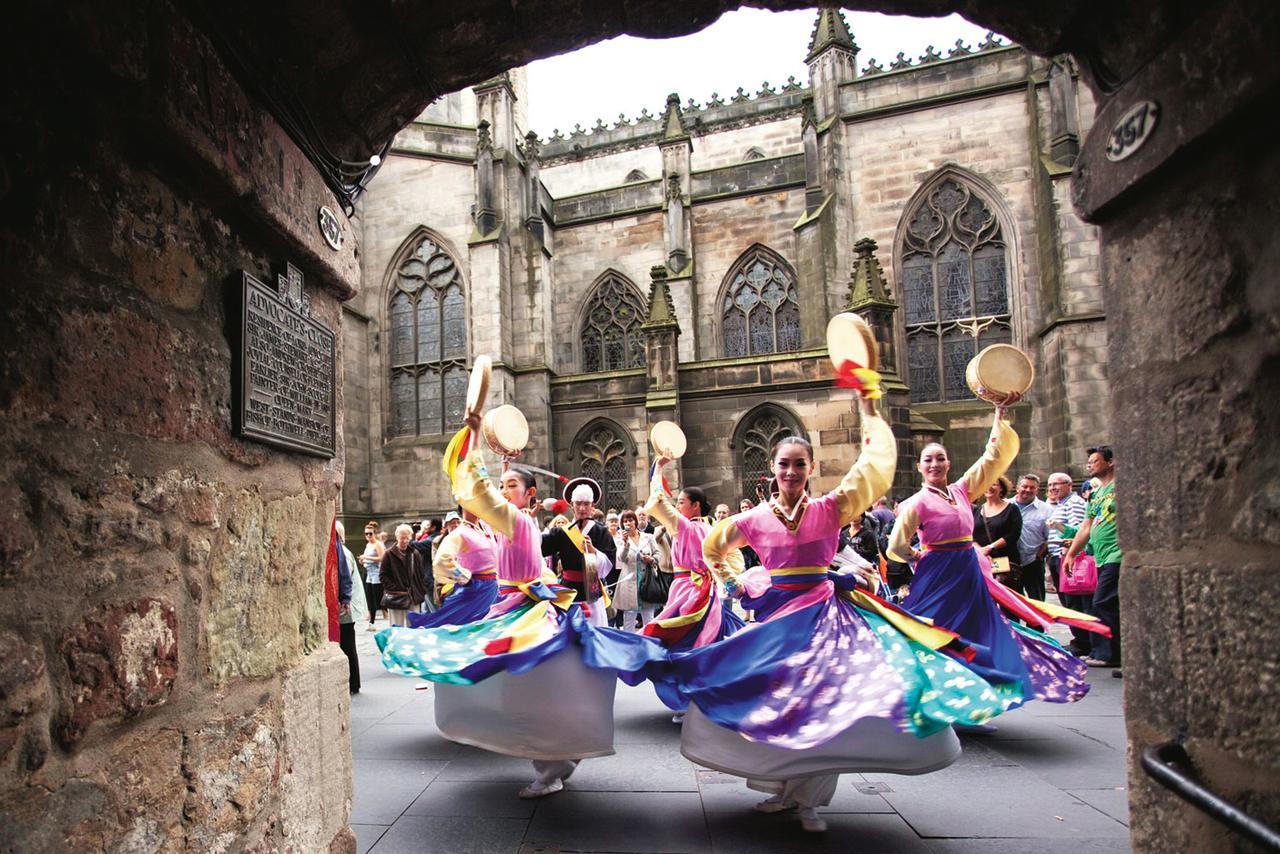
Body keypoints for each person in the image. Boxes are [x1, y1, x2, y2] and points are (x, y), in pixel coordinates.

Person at [654, 393, 1005, 834]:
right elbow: (713, 548)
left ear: (811, 468)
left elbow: (869, 471)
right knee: (775, 701)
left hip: (825, 618)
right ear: (772, 468)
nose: (791, 472)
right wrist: (732, 582)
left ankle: (809, 799)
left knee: (823, 704)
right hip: (778, 620)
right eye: (784, 464)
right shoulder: (754, 518)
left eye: (799, 464)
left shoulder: (830, 508)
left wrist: (871, 414)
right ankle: (781, 787)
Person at [377, 418, 667, 800]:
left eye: (511, 486)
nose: (503, 491)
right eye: (503, 486)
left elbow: (479, 492)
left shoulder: (516, 519)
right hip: (519, 605)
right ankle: (557, 756)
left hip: (528, 612)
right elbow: (491, 500)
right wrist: (504, 466)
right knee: (526, 685)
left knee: (528, 689)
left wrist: (474, 438)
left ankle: (551, 766)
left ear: (530, 493)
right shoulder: (521, 520)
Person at [888, 400, 1111, 719]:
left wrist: (999, 415)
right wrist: (918, 556)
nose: (935, 464)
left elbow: (989, 460)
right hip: (939, 574)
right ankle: (931, 698)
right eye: (928, 460)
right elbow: (896, 545)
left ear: (949, 463)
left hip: (968, 571)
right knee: (936, 633)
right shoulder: (916, 503)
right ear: (920, 467)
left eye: (940, 458)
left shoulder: (961, 491)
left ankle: (972, 700)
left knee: (979, 632)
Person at [641, 466, 745, 721]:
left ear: (696, 505)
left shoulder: (685, 527)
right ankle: (708, 695)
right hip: (707, 591)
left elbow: (658, 502)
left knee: (682, 640)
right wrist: (729, 581)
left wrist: (659, 467)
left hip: (687, 590)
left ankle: (688, 699)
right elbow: (735, 559)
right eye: (677, 502)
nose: (677, 505)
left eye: (681, 502)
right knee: (711, 638)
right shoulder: (713, 529)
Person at [1063, 445, 1123, 670]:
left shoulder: (1121, 487)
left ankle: (1110, 653)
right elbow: (1085, 527)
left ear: (1111, 462)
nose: (1089, 465)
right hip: (1101, 556)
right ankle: (1106, 651)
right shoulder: (1096, 494)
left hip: (1117, 554)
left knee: (1102, 602)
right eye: (1088, 462)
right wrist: (1071, 554)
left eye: (1095, 461)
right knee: (1107, 603)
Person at [406, 509, 499, 629]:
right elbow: (442, 560)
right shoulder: (459, 533)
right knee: (469, 628)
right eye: (451, 522)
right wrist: (465, 578)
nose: (454, 524)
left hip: (492, 587)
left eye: (456, 521)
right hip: (475, 588)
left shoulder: (485, 528)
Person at [542, 478, 617, 622]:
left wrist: (594, 551)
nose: (582, 508)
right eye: (578, 504)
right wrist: (529, 521)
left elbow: (609, 565)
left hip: (593, 594)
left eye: (586, 504)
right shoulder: (561, 532)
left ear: (592, 506)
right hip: (568, 593)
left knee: (595, 631)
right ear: (571, 505)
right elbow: (538, 545)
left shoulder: (601, 532)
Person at [1045, 472, 1091, 656]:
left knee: (1074, 602)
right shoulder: (1061, 504)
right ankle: (1080, 640)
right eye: (1050, 485)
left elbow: (1077, 531)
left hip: (1067, 557)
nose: (1052, 488)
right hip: (1058, 556)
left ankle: (1083, 642)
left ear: (1069, 485)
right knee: (1068, 602)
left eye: (1056, 484)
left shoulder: (1074, 503)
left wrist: (1068, 552)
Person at [334, 521, 367, 693]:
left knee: (347, 645)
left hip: (345, 607)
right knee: (347, 644)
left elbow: (344, 578)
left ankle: (353, 683)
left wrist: (344, 600)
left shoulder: (343, 553)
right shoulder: (343, 551)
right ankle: (352, 683)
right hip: (346, 605)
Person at [612, 509, 655, 630]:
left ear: (635, 521)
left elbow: (657, 554)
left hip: (647, 580)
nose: (628, 523)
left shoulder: (648, 537)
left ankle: (649, 640)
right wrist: (625, 544)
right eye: (625, 521)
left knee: (649, 617)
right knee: (629, 618)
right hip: (629, 581)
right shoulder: (621, 540)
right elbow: (621, 558)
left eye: (630, 520)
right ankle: (629, 641)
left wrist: (651, 560)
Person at [379, 524, 428, 627]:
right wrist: (394, 588)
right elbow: (383, 575)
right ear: (397, 537)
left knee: (414, 627)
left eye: (407, 538)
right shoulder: (389, 554)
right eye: (402, 538)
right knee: (396, 627)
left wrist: (421, 590)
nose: (405, 541)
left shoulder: (415, 553)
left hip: (413, 596)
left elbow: (420, 574)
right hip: (396, 596)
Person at [1013, 474, 1053, 601]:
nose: (1028, 490)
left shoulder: (1046, 509)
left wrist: (1040, 556)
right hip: (1010, 562)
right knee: (1012, 601)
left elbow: (1051, 536)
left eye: (1032, 487)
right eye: (1024, 486)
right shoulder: (1005, 505)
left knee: (1037, 600)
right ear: (1017, 487)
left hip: (1033, 561)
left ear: (1037, 489)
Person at [361, 523, 386, 630]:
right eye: (366, 534)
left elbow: (382, 558)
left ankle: (387, 614)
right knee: (369, 597)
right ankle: (371, 622)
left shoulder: (378, 544)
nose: (368, 536)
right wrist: (363, 560)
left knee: (378, 597)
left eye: (370, 533)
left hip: (377, 574)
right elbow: (367, 558)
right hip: (369, 573)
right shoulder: (368, 545)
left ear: (374, 534)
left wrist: (367, 558)